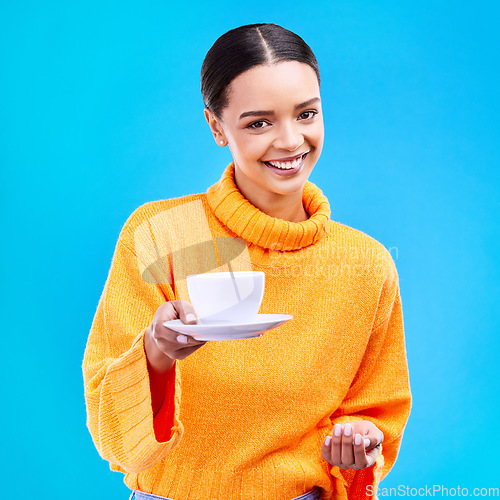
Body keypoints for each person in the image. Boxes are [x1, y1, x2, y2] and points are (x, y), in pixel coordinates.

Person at [83, 23, 412, 500]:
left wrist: (360, 446)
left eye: (307, 114)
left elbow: (376, 419)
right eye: (259, 122)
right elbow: (113, 436)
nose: (289, 140)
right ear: (217, 127)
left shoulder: (364, 263)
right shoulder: (162, 234)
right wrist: (155, 351)